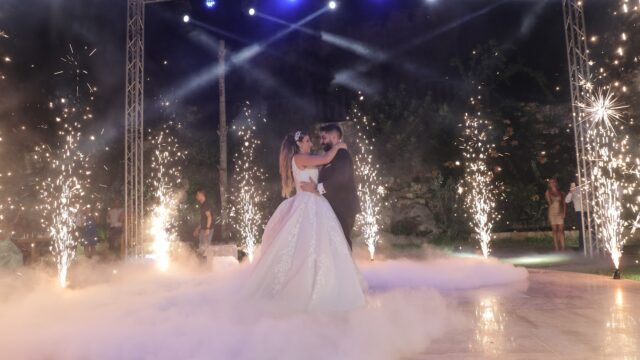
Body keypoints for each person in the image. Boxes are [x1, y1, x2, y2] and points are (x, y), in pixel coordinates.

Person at [243, 129, 366, 314]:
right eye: (307, 140)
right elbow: (325, 159)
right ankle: (303, 287)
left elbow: (324, 163)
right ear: (299, 144)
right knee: (306, 244)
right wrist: (340, 145)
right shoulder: (300, 158)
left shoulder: (305, 158)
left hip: (315, 202)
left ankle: (325, 282)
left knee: (321, 244)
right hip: (308, 204)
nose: (311, 143)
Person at [299, 124, 361, 250]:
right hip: (334, 207)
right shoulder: (332, 156)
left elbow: (341, 178)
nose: (321, 142)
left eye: (323, 138)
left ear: (334, 137)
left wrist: (316, 188)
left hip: (343, 207)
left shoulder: (342, 154)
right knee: (335, 245)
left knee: (343, 243)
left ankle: (346, 269)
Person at [545, 178, 566, 251]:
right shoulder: (548, 192)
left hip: (560, 212)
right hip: (552, 212)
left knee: (561, 230)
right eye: (550, 182)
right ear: (549, 184)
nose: (552, 183)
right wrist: (551, 197)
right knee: (554, 230)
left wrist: (564, 213)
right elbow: (549, 203)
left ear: (556, 183)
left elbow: (564, 204)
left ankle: (563, 247)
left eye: (553, 182)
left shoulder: (561, 192)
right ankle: (556, 247)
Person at [565, 181, 584, 251]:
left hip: (588, 211)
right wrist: (571, 192)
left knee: (593, 229)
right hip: (579, 212)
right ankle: (582, 248)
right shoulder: (574, 190)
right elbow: (567, 200)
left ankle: (593, 247)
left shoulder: (585, 188)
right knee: (581, 230)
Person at [193, 189, 213, 255]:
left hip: (207, 230)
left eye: (197, 195)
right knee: (201, 247)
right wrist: (197, 229)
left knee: (205, 248)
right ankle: (202, 263)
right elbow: (203, 219)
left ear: (202, 195)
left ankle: (207, 264)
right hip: (203, 229)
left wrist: (207, 229)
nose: (196, 196)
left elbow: (209, 217)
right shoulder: (202, 205)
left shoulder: (206, 204)